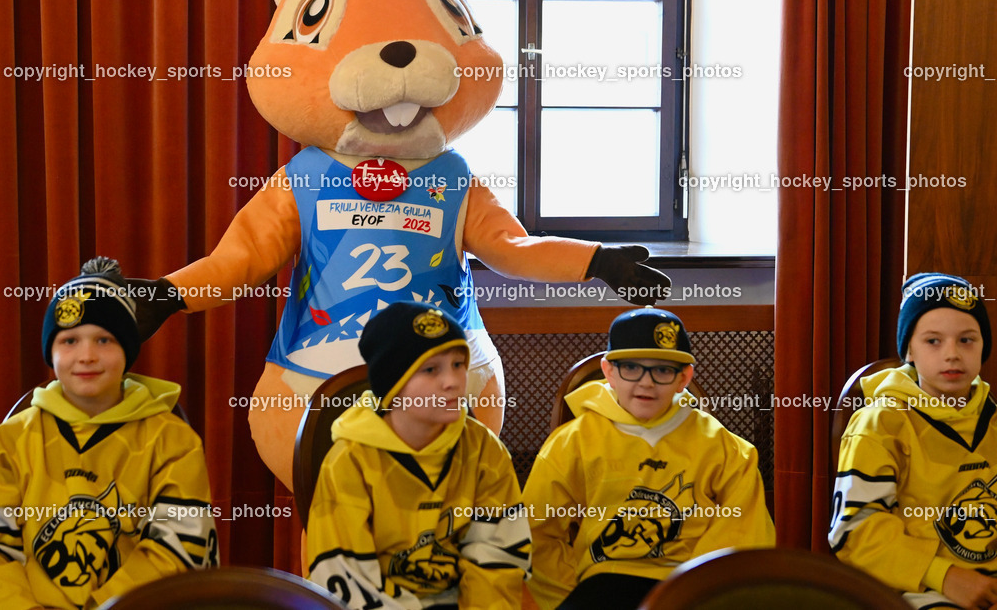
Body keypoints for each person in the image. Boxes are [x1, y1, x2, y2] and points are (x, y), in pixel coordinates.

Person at [0, 258, 219, 610]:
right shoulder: (10, 442)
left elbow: (180, 550)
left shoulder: (173, 442)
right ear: (50, 352)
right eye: (69, 340)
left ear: (128, 350)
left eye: (104, 340)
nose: (86, 356)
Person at [523, 307, 775, 610]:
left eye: (663, 370)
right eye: (631, 367)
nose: (646, 382)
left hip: (687, 584)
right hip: (605, 580)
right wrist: (567, 593)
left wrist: (702, 589)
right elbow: (536, 531)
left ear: (684, 377)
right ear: (609, 372)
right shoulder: (572, 441)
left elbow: (745, 532)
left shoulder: (723, 447)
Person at [306, 301, 531, 609]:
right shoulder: (349, 461)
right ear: (393, 385)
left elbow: (498, 559)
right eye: (430, 369)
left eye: (458, 364)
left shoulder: (485, 450)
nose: (452, 382)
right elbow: (347, 575)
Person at [831, 273, 997, 609]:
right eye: (933, 341)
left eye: (966, 340)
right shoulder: (881, 425)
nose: (952, 354)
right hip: (915, 589)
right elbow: (855, 532)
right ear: (909, 349)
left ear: (984, 348)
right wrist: (944, 575)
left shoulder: (992, 418)